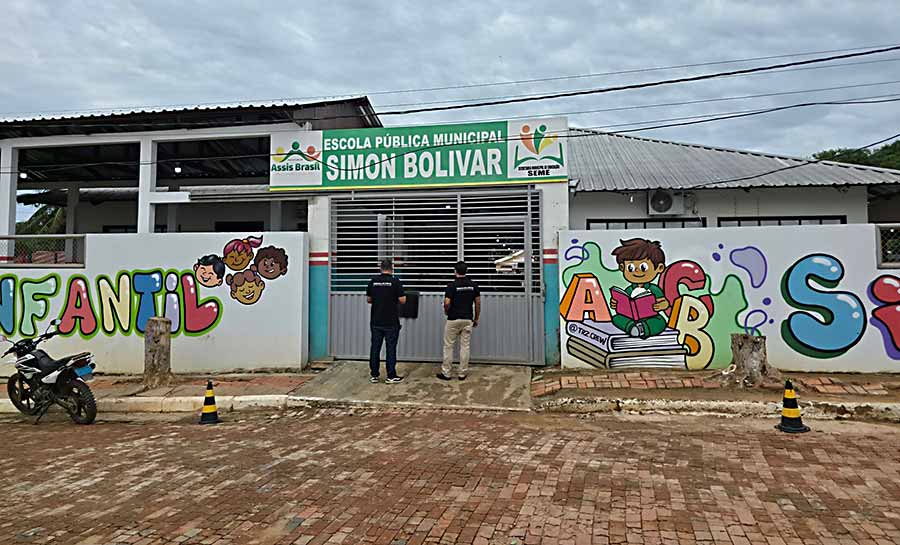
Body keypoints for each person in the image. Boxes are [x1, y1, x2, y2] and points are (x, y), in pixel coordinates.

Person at [437, 261, 481, 381]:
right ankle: (462, 373)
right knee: (465, 346)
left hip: (453, 319)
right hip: (467, 320)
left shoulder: (451, 285)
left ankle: (446, 373)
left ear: (455, 271)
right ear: (466, 271)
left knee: (448, 346)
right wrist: (476, 318)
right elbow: (477, 303)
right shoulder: (473, 285)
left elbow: (446, 302)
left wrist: (446, 311)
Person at [366, 259, 407, 384]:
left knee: (375, 348)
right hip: (391, 322)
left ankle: (374, 375)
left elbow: (369, 299)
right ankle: (391, 376)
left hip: (376, 321)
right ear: (392, 268)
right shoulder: (395, 282)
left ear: (380, 268)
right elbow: (403, 300)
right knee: (391, 349)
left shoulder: (373, 281)